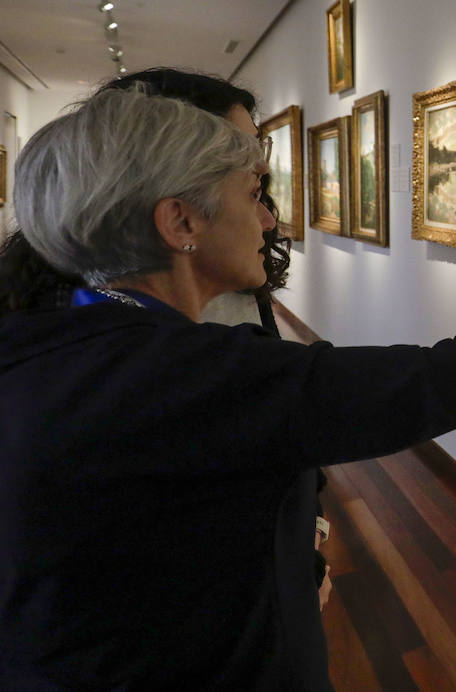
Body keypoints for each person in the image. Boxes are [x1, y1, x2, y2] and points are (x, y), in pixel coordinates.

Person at [0, 83, 456, 690]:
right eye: (253, 196)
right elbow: (455, 380)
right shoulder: (185, 378)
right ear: (180, 222)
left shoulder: (56, 341)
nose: (269, 221)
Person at [0, 68, 335, 612]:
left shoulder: (228, 284)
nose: (267, 213)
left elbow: (275, 420)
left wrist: (304, 530)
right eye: (237, 150)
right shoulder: (72, 335)